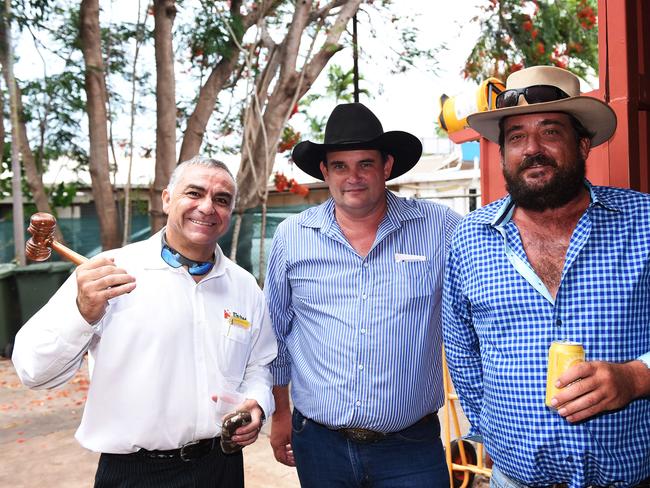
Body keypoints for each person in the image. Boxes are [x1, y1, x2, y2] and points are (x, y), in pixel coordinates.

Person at [12, 156, 277, 487]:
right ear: (167, 199)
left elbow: (259, 366)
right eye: (194, 193)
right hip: (136, 474)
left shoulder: (243, 286)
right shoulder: (105, 272)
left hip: (222, 468)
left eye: (221, 199)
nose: (207, 207)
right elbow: (33, 371)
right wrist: (82, 312)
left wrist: (258, 403)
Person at [442, 65, 650, 488]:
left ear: (583, 143)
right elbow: (463, 355)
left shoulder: (644, 221)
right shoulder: (469, 238)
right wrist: (498, 434)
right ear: (502, 153)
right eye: (516, 136)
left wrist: (636, 377)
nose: (532, 148)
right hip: (513, 480)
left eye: (550, 131)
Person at [265, 102, 459, 487]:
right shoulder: (292, 236)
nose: (352, 177)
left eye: (365, 164)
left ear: (386, 166)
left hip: (411, 448)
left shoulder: (442, 229)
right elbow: (275, 333)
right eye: (340, 165)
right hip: (320, 444)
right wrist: (280, 412)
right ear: (325, 171)